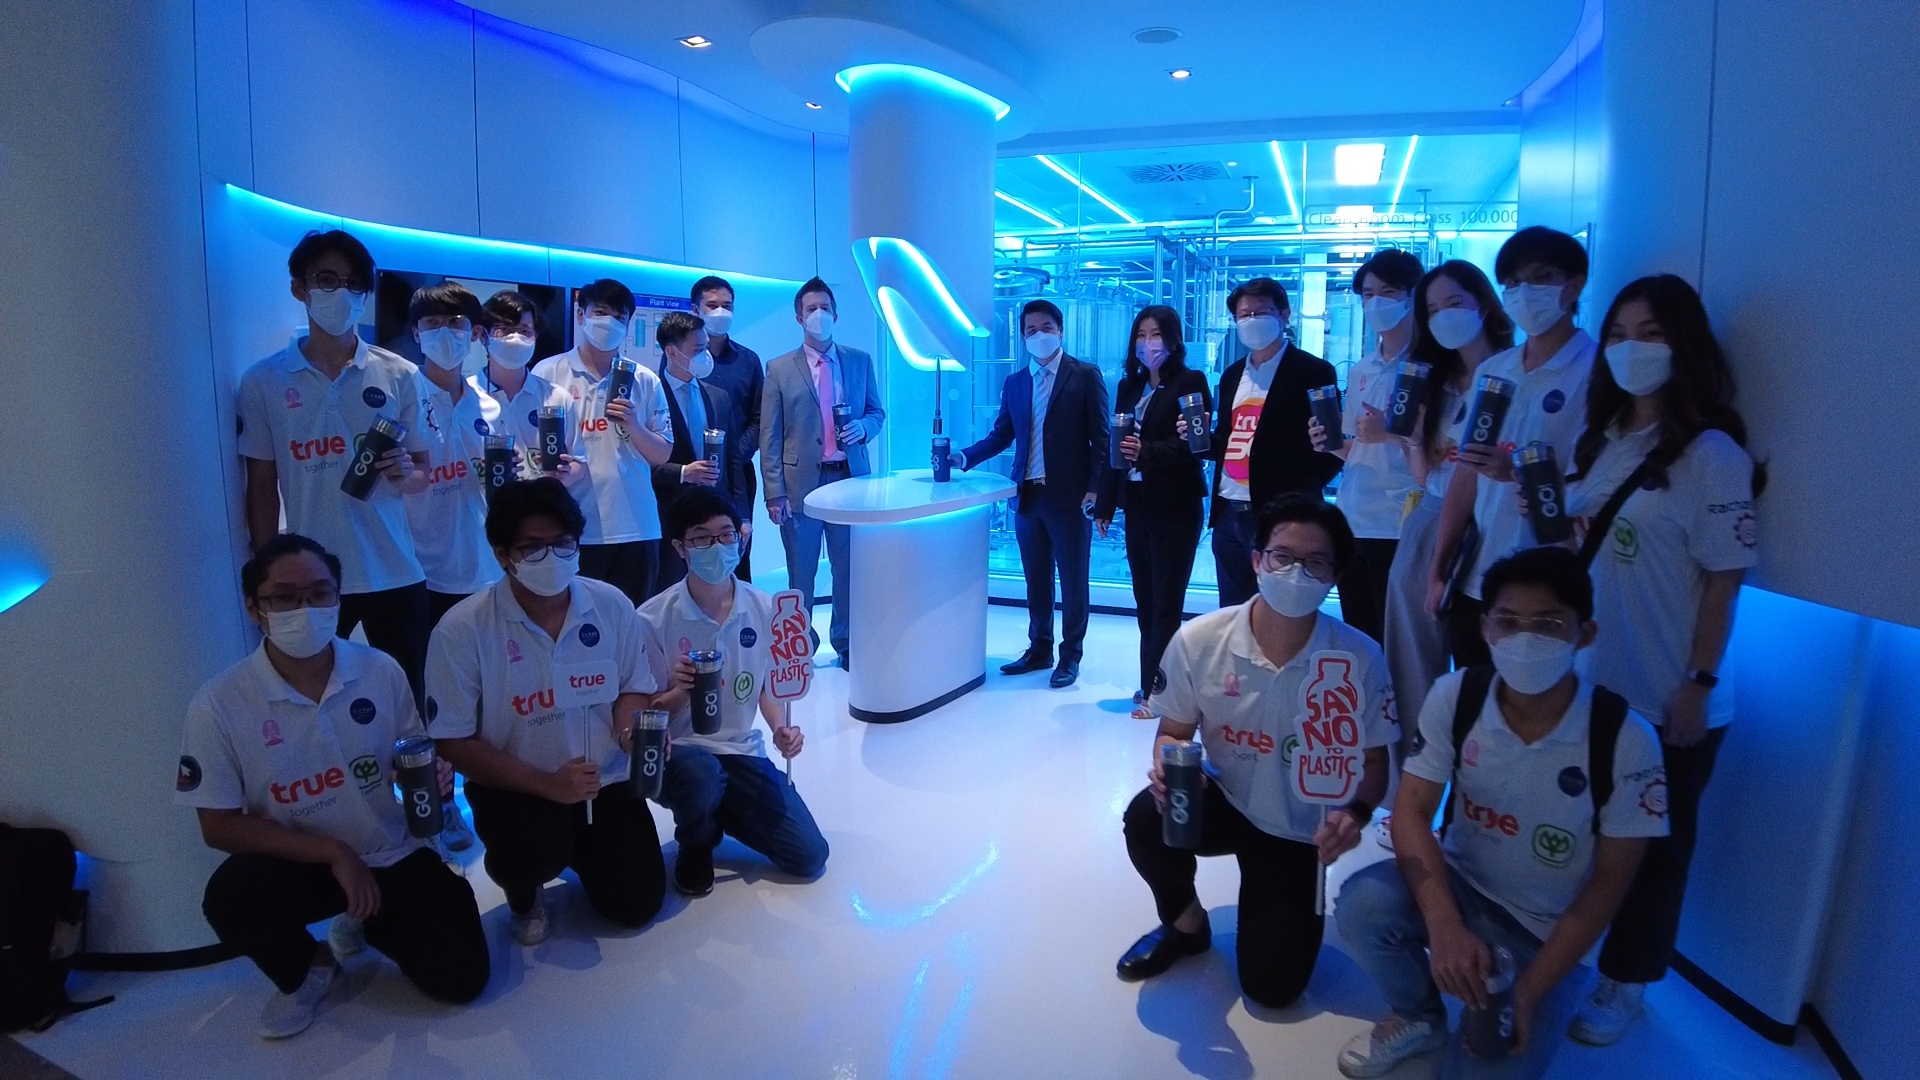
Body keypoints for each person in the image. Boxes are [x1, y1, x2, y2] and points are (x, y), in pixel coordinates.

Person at [1334, 547, 1667, 1078]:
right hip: (1462, 883)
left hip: (1546, 930)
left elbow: (1611, 881)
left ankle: (1521, 1001)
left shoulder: (1625, 738)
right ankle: (1419, 1016)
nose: (1525, 639)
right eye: (1508, 621)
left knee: (1486, 1064)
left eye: (1549, 624)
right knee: (1363, 904)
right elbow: (1412, 811)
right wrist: (1444, 923)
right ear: (1485, 627)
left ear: (1584, 634)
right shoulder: (1458, 696)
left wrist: (1530, 992)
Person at [1557, 275, 1762, 1046]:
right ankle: (1577, 951)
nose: (1630, 349)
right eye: (1618, 334)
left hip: (1671, 688)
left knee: (1657, 849)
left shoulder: (1712, 455)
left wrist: (1698, 683)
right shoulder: (1605, 438)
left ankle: (1628, 981)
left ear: (1684, 346)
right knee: (1587, 830)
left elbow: (1723, 581)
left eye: (1650, 334)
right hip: (1595, 680)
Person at [178, 535, 488, 1040]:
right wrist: (333, 853)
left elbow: (406, 761)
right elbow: (218, 826)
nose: (306, 608)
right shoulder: (218, 704)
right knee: (231, 896)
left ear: (338, 598)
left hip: (390, 851)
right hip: (300, 862)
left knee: (462, 979)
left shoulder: (379, 670)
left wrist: (430, 780)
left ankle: (370, 917)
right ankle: (310, 967)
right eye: (285, 597)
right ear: (254, 608)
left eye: (320, 593)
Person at [1118, 496, 1394, 1007]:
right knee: (1145, 818)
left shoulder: (1358, 657)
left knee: (1273, 990)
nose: (1295, 572)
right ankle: (1185, 924)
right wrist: (1169, 768)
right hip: (1223, 796)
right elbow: (1172, 731)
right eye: (1282, 556)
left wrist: (1355, 813)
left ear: (1335, 575)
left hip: (1299, 826)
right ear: (1256, 560)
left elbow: (1375, 763)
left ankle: (1280, 903)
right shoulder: (1200, 640)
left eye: (1315, 562)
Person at [425, 479, 666, 946]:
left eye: (562, 543)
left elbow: (633, 689)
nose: (550, 557)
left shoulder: (611, 604)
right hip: (517, 788)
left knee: (636, 904)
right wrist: (546, 784)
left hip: (603, 781)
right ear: (502, 555)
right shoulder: (462, 630)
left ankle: (582, 850)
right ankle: (525, 891)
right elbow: (452, 740)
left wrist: (629, 735)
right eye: (532, 548)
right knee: (530, 851)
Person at [237, 229, 434, 705]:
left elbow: (423, 471)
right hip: (308, 576)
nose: (340, 293)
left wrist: (405, 472)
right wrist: (265, 569)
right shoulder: (264, 381)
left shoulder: (400, 374)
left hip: (393, 570)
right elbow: (261, 484)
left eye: (353, 284)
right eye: (326, 280)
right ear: (299, 288)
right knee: (307, 695)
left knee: (406, 699)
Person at [639, 489, 829, 897]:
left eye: (726, 535)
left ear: (740, 538)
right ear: (680, 548)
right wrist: (680, 691)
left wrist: (780, 729)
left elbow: (766, 684)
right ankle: (697, 841)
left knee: (809, 855)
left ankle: (720, 807)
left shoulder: (764, 607)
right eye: (702, 538)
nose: (717, 546)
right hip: (683, 753)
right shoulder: (653, 618)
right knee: (702, 777)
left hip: (741, 750)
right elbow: (644, 715)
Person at [1427, 227, 1596, 668]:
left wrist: (1516, 471)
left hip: (1550, 581)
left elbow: (1597, 483)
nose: (1524, 293)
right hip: (1478, 576)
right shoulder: (1494, 370)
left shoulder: (1596, 372)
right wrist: (1439, 568)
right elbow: (1465, 474)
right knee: (1474, 692)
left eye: (1540, 278)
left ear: (1574, 286)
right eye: (1513, 283)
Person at [1382, 261, 1515, 729]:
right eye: (1434, 309)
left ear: (1484, 303)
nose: (1445, 317)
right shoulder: (1430, 382)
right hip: (1434, 517)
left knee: (1492, 653)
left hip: (1498, 521)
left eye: (1455, 303)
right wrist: (1415, 439)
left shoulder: (1516, 372)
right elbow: (1426, 478)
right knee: (1414, 652)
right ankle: (1414, 758)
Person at [953, 299, 1111, 688]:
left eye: (1045, 328)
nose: (1038, 335)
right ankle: (1040, 649)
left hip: (1071, 498)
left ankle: (1070, 656)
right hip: (1027, 497)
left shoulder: (1084, 375)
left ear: (1060, 330)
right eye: (1030, 330)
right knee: (1036, 579)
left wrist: (1095, 489)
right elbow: (1001, 435)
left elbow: (1102, 439)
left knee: (1073, 580)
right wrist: (964, 456)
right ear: (1022, 336)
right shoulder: (1016, 382)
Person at [761, 277, 885, 667]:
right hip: (800, 487)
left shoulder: (859, 360)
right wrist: (774, 492)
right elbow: (770, 435)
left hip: (850, 480)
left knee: (848, 569)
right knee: (801, 572)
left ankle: (846, 642)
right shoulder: (779, 369)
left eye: (825, 308)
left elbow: (877, 412)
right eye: (811, 309)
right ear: (799, 317)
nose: (819, 315)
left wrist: (864, 427)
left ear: (836, 314)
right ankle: (801, 646)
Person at [1094, 306, 1211, 717]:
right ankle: (1150, 684)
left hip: (1176, 505)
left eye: (1156, 334)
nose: (1148, 343)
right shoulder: (1129, 386)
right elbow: (1115, 449)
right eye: (1141, 335)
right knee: (1145, 601)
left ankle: (1163, 694)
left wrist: (1147, 452)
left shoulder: (1190, 382)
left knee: (1166, 604)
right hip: (1138, 504)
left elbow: (1195, 445)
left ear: (1173, 339)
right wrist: (1105, 503)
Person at [1198, 277, 1343, 609]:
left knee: (1284, 608)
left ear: (1284, 315)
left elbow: (1332, 447)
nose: (1252, 320)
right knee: (1234, 611)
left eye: (1261, 312)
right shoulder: (1232, 375)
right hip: (1229, 512)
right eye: (1244, 315)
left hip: (1282, 515)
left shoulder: (1312, 371)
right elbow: (1231, 441)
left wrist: (1300, 494)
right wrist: (1201, 439)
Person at [531, 278, 676, 605]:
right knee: (575, 620)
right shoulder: (548, 373)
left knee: (633, 621)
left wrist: (633, 424)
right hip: (570, 527)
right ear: (581, 315)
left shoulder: (644, 379)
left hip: (635, 525)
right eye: (600, 312)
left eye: (619, 317)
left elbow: (663, 452)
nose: (609, 322)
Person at [1307, 251, 1423, 642]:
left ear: (1412, 296)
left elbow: (1438, 448)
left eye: (1388, 292)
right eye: (1368, 294)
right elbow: (1357, 447)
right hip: (1355, 516)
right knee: (1360, 632)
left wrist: (1391, 430)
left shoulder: (1427, 367)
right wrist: (1330, 444)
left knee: (1401, 637)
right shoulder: (1361, 368)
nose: (1376, 303)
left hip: (1402, 518)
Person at [651, 311, 744, 590]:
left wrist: (742, 516)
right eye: (698, 349)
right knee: (669, 594)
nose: (706, 356)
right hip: (668, 516)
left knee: (717, 591)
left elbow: (734, 461)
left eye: (707, 347)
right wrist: (682, 472)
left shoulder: (718, 396)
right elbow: (641, 463)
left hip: (715, 518)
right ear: (672, 351)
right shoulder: (650, 395)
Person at [692, 275, 765, 580]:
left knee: (737, 551)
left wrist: (733, 455)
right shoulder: (682, 358)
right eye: (712, 305)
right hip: (693, 473)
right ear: (696, 309)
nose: (720, 311)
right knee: (696, 549)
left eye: (727, 305)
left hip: (738, 475)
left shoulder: (748, 360)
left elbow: (760, 418)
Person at [475, 289, 571, 464]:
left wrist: (565, 472)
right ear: (483, 335)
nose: (515, 338)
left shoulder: (557, 398)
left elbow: (578, 462)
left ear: (535, 337)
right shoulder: (465, 396)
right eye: (504, 329)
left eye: (524, 331)